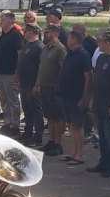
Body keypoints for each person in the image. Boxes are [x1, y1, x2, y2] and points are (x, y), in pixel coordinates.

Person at [87, 30, 110, 177]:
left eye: (101, 41)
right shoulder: (101, 58)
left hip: (109, 104)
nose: (98, 44)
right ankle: (103, 162)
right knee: (101, 134)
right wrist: (91, 99)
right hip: (98, 102)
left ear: (108, 43)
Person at [57, 31, 93, 163]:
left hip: (77, 96)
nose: (67, 40)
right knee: (71, 125)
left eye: (70, 38)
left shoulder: (83, 55)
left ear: (75, 39)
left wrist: (85, 98)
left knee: (78, 126)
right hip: (66, 95)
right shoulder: (70, 53)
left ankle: (80, 154)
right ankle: (74, 152)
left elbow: (88, 77)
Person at [36, 25, 67, 155]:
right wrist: (37, 84)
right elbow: (41, 67)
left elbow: (63, 70)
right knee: (49, 116)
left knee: (57, 117)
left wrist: (60, 87)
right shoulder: (46, 48)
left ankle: (58, 143)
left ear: (54, 33)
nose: (45, 35)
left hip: (54, 87)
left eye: (47, 32)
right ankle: (51, 140)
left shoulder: (60, 49)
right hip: (44, 86)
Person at [0, 11, 25, 135]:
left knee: (12, 99)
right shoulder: (3, 34)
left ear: (11, 21)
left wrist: (18, 71)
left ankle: (15, 125)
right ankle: (7, 122)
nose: (1, 22)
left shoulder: (16, 35)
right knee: (3, 98)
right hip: (1, 72)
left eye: (4, 20)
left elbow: (20, 54)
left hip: (11, 72)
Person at [17, 24, 45, 146]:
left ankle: (38, 135)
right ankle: (27, 131)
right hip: (23, 82)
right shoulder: (27, 45)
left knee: (36, 109)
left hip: (32, 83)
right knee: (27, 108)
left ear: (33, 32)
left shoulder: (39, 47)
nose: (25, 33)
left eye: (27, 31)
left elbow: (41, 68)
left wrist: (37, 85)